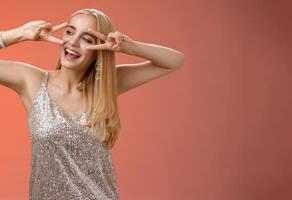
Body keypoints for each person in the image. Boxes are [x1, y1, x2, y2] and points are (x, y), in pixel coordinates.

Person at [0, 8, 184, 200]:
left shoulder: (105, 85)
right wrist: (19, 34)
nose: (73, 42)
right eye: (70, 32)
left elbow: (174, 61)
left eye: (87, 39)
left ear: (101, 49)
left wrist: (130, 47)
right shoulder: (32, 81)